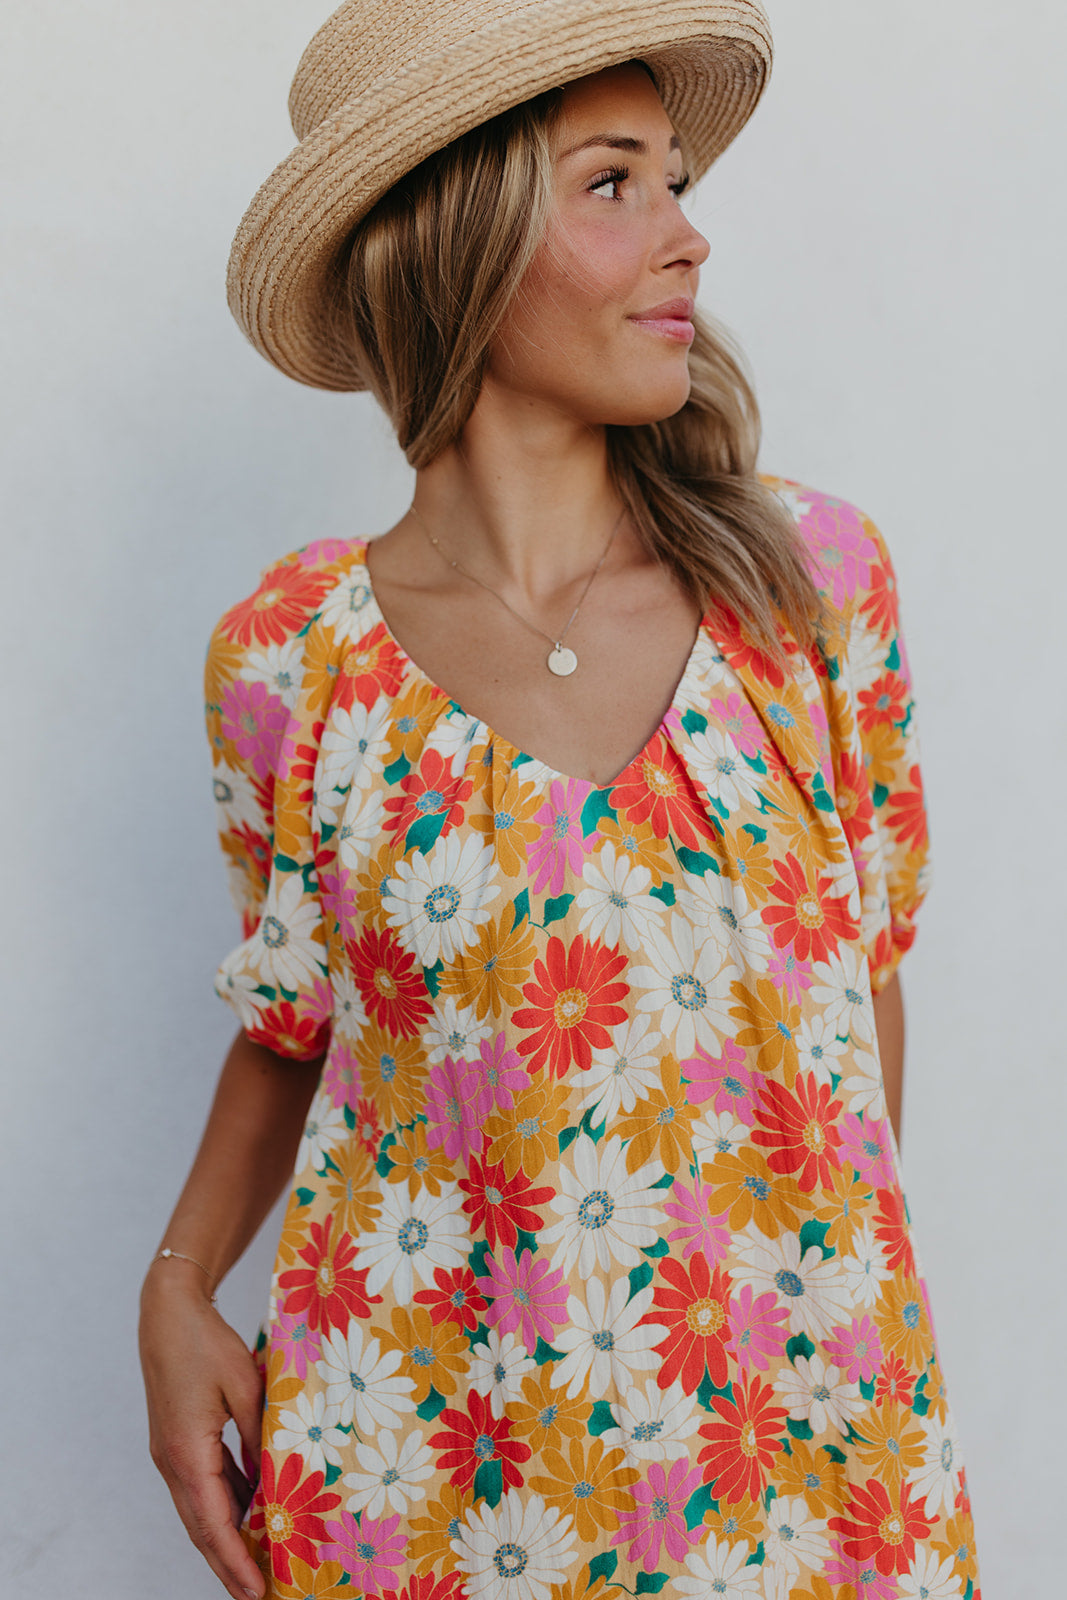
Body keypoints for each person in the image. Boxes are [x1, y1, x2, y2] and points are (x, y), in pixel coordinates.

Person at [139, 4, 982, 1598]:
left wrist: (811, 1342)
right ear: (453, 242)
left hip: (806, 1488)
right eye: (614, 183)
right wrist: (176, 1286)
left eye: (676, 180)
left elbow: (862, 989)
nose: (688, 235)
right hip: (420, 1491)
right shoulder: (291, 658)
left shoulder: (808, 587)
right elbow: (293, 1020)